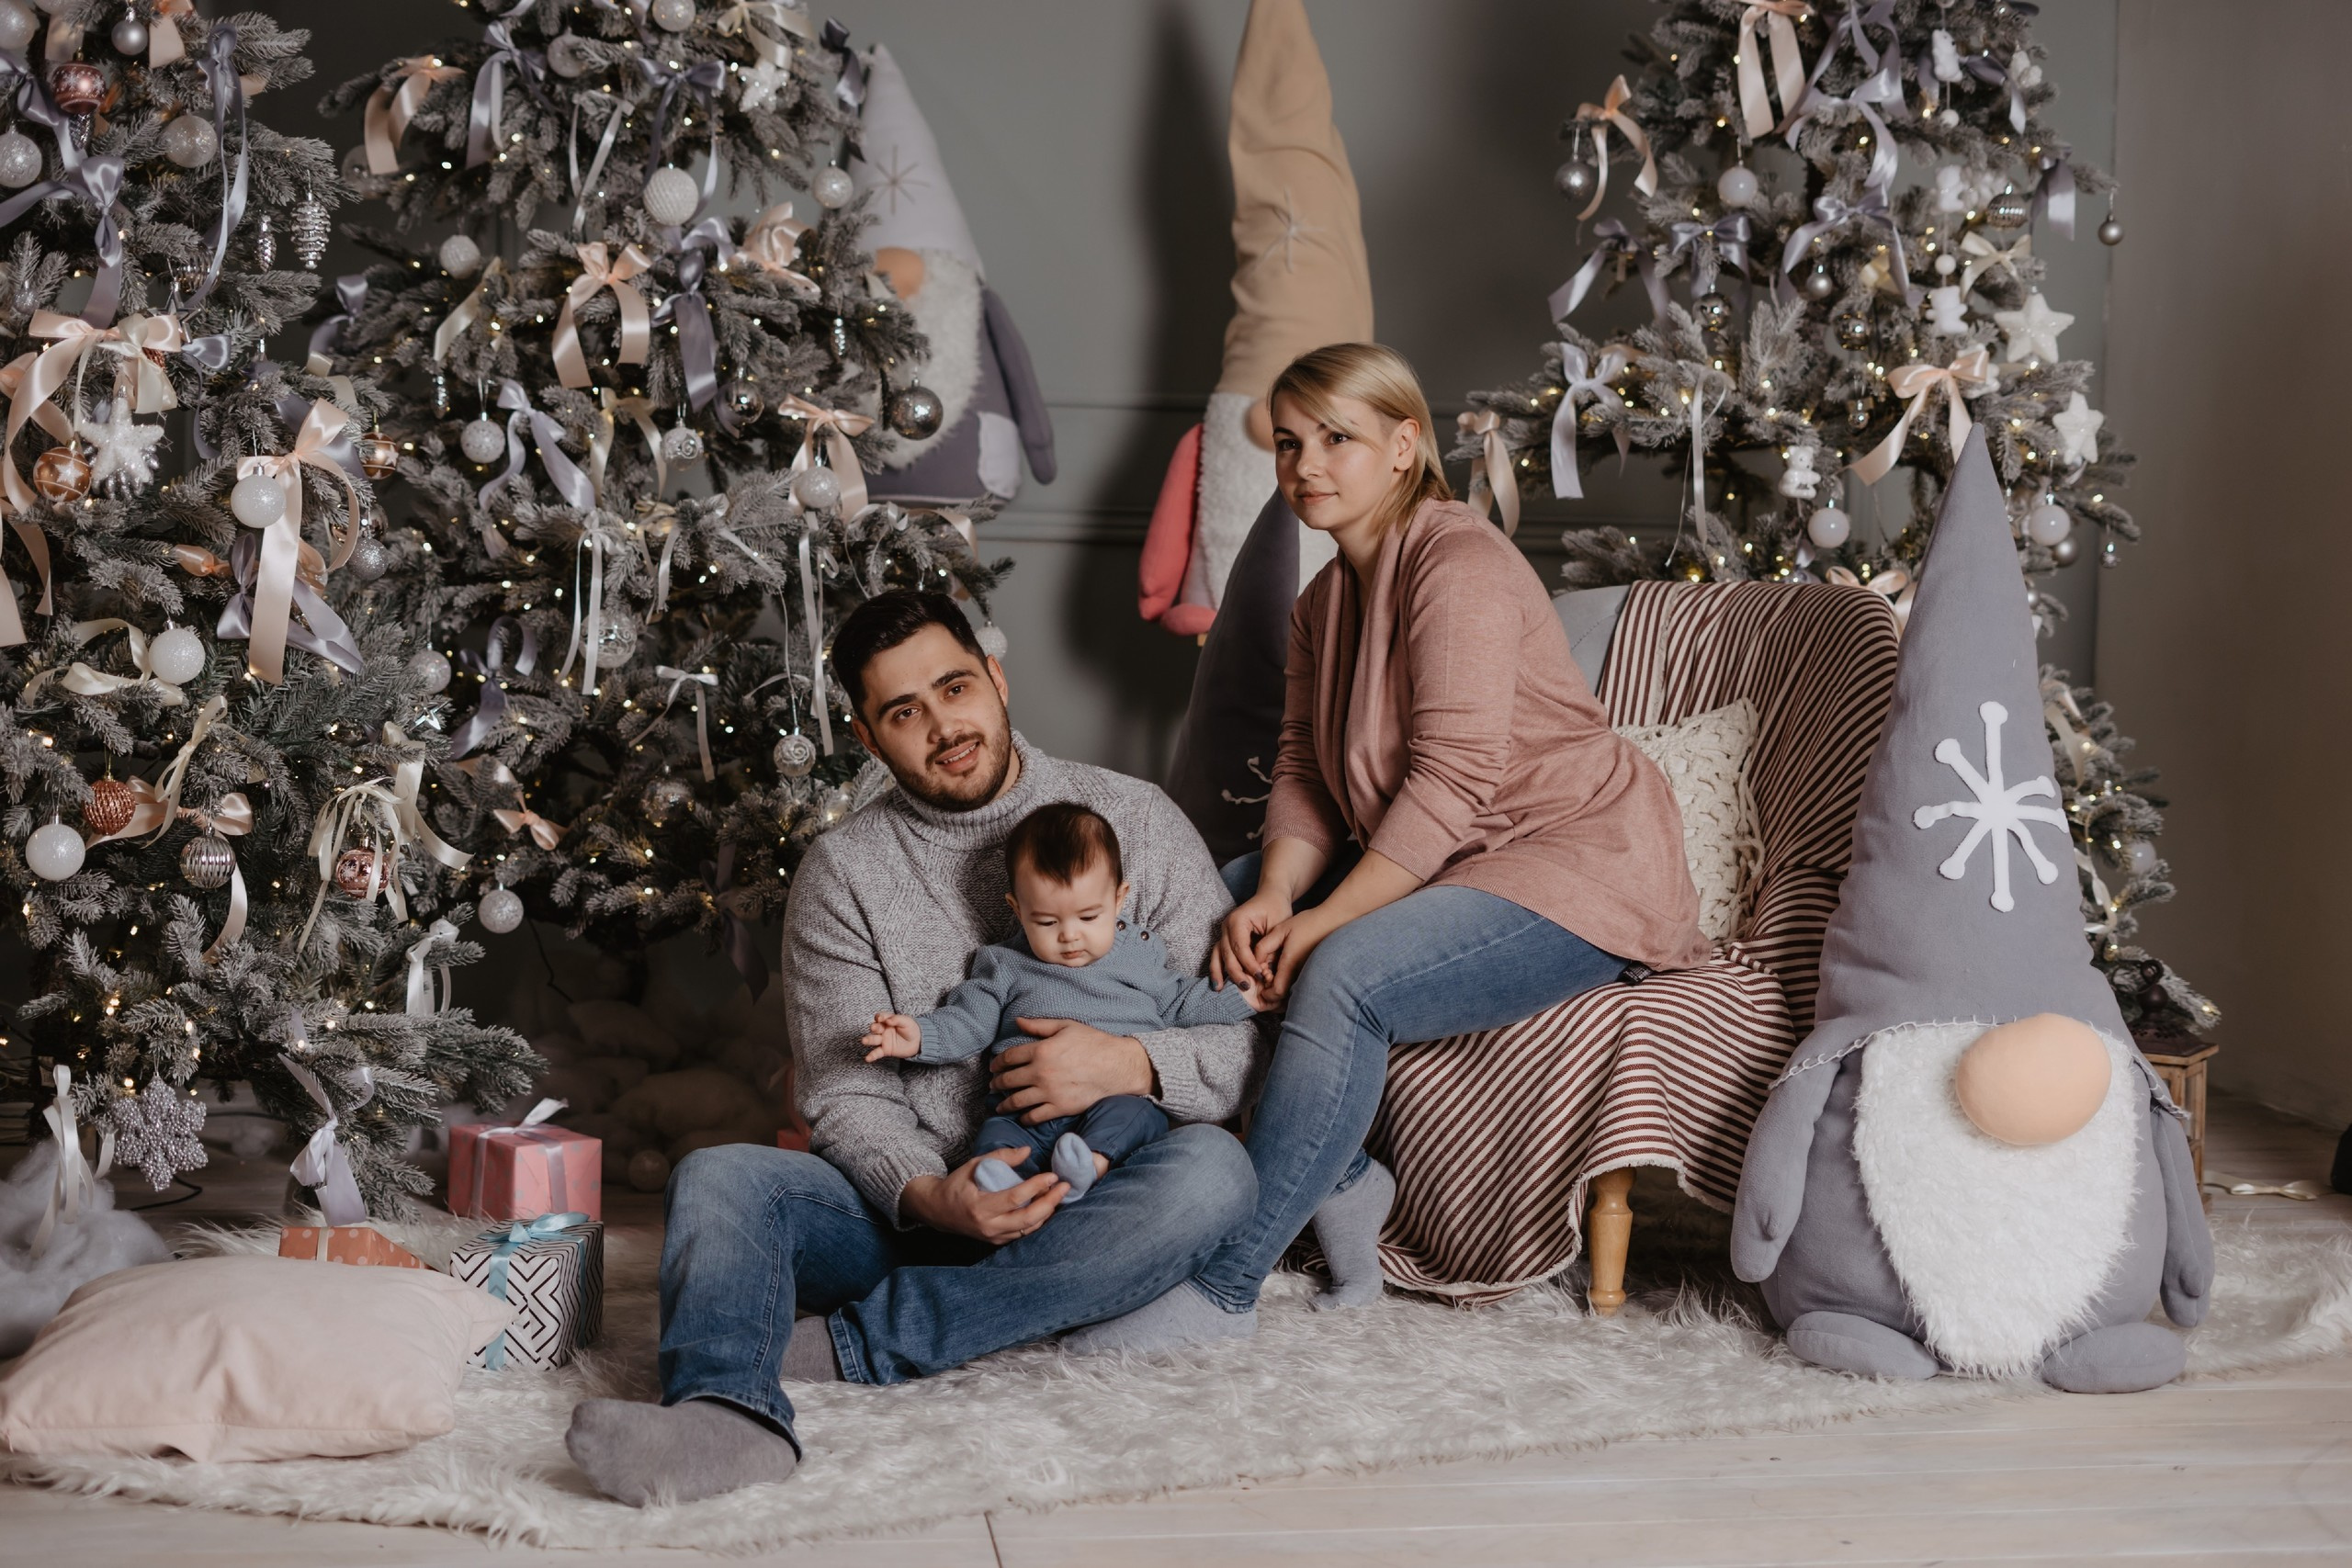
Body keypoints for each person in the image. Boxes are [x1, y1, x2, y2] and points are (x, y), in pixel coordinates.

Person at [1067, 343, 1708, 1355]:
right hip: (1449, 863)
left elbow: (1450, 781)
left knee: (1348, 972)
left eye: (1337, 439)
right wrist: (1275, 891)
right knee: (1201, 913)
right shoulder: (1326, 598)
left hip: (1573, 863)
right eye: (1287, 443)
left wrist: (1321, 922)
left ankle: (1226, 1282)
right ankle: (1311, 1184)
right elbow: (1305, 771)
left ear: (1404, 447)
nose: (1305, 465)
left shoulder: (1457, 564)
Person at [565, 592, 1261, 1506]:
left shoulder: (1135, 820)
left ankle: (866, 1344)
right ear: (867, 736)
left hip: (1095, 1190)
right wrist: (930, 1195)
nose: (944, 727)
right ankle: (727, 1418)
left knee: (1215, 1172)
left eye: (955, 687)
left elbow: (1238, 1040)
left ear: (997, 679)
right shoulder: (845, 874)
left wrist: (1128, 1067)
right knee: (723, 1178)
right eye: (904, 711)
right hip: (907, 1216)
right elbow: (844, 1091)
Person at [863, 801, 1269, 1202]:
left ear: (1119, 900)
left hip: (1116, 1099)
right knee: (995, 1138)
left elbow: (1184, 1002)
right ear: (1017, 910)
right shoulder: (1003, 965)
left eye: (1089, 917)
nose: (1070, 936)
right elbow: (967, 1022)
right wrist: (917, 1036)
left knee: (1140, 1117)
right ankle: (1001, 1186)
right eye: (1047, 922)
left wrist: (1247, 995)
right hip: (1025, 1111)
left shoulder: (1137, 955)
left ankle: (1089, 1166)